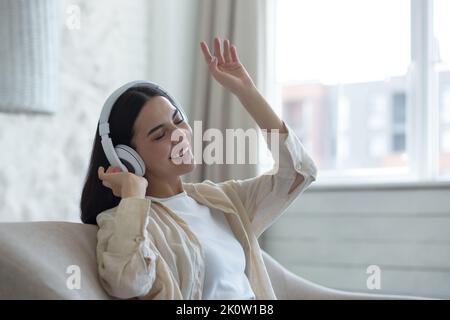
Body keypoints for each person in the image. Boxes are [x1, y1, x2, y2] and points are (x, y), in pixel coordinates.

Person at [80, 37, 318, 299]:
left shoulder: (220, 200)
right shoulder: (123, 219)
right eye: (159, 135)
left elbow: (298, 172)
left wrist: (246, 92)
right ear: (127, 158)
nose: (179, 135)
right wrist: (133, 196)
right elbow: (128, 283)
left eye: (178, 121)